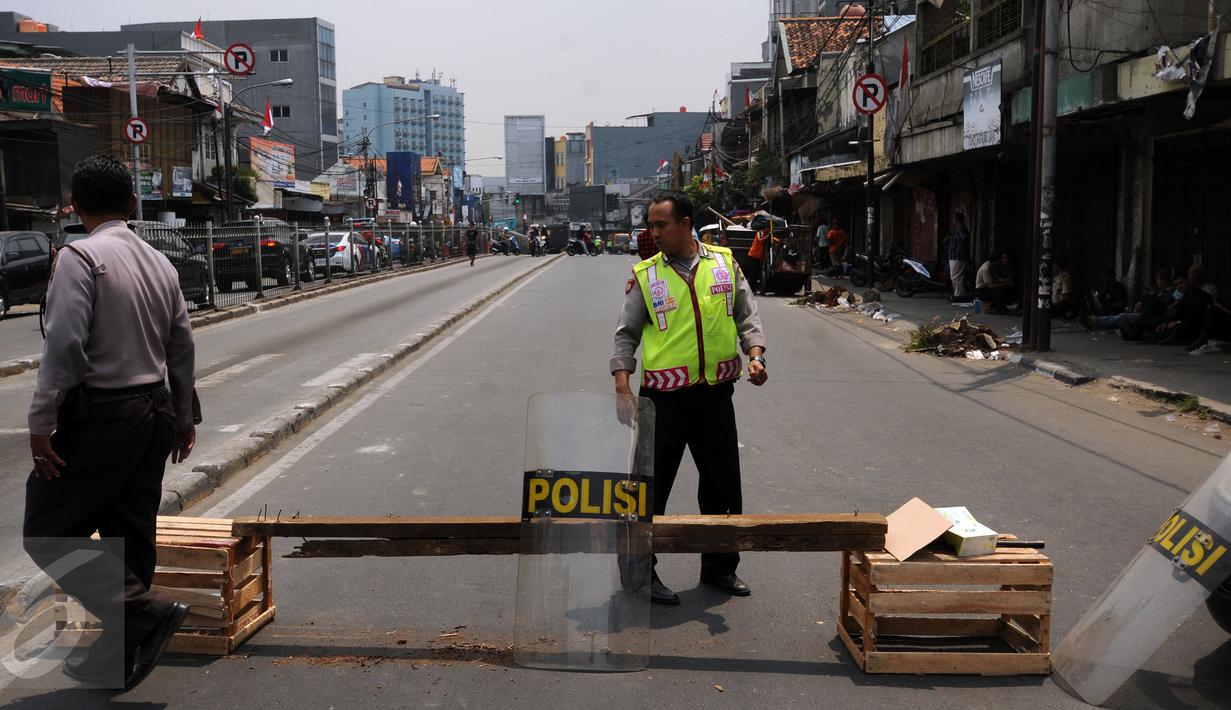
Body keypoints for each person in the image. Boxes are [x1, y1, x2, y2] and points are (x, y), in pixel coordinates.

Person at [24, 155, 196, 690]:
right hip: (155, 414)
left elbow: (67, 347)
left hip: (106, 415)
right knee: (131, 530)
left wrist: (41, 421)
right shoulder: (160, 262)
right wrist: (185, 415)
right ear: (131, 203)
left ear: (74, 205)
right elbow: (181, 346)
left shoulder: (79, 257)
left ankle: (142, 613)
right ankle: (118, 654)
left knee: (49, 530)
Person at [611, 191, 767, 605]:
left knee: (722, 487)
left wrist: (755, 356)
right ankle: (639, 574)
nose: (653, 232)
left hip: (715, 395)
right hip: (662, 401)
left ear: (685, 223)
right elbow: (626, 335)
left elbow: (747, 316)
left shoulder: (724, 264)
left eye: (661, 224)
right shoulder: (646, 276)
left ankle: (720, 568)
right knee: (648, 489)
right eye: (651, 224)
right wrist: (622, 385)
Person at [947, 212, 971, 302]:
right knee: (956, 276)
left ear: (956, 219)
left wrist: (959, 248)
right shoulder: (960, 228)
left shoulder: (961, 228)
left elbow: (963, 238)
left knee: (956, 276)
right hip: (956, 256)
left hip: (958, 257)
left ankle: (959, 295)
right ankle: (958, 294)